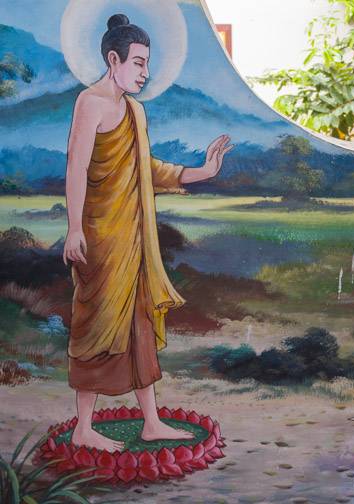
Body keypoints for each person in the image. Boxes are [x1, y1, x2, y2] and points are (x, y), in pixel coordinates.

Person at [62, 14, 233, 452]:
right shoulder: (90, 102)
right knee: (96, 326)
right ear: (113, 58)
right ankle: (83, 426)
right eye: (138, 62)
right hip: (100, 240)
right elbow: (77, 168)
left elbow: (147, 170)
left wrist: (202, 171)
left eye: (147, 64)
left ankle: (151, 422)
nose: (144, 72)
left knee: (138, 326)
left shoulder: (135, 111)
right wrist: (74, 229)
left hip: (136, 240)